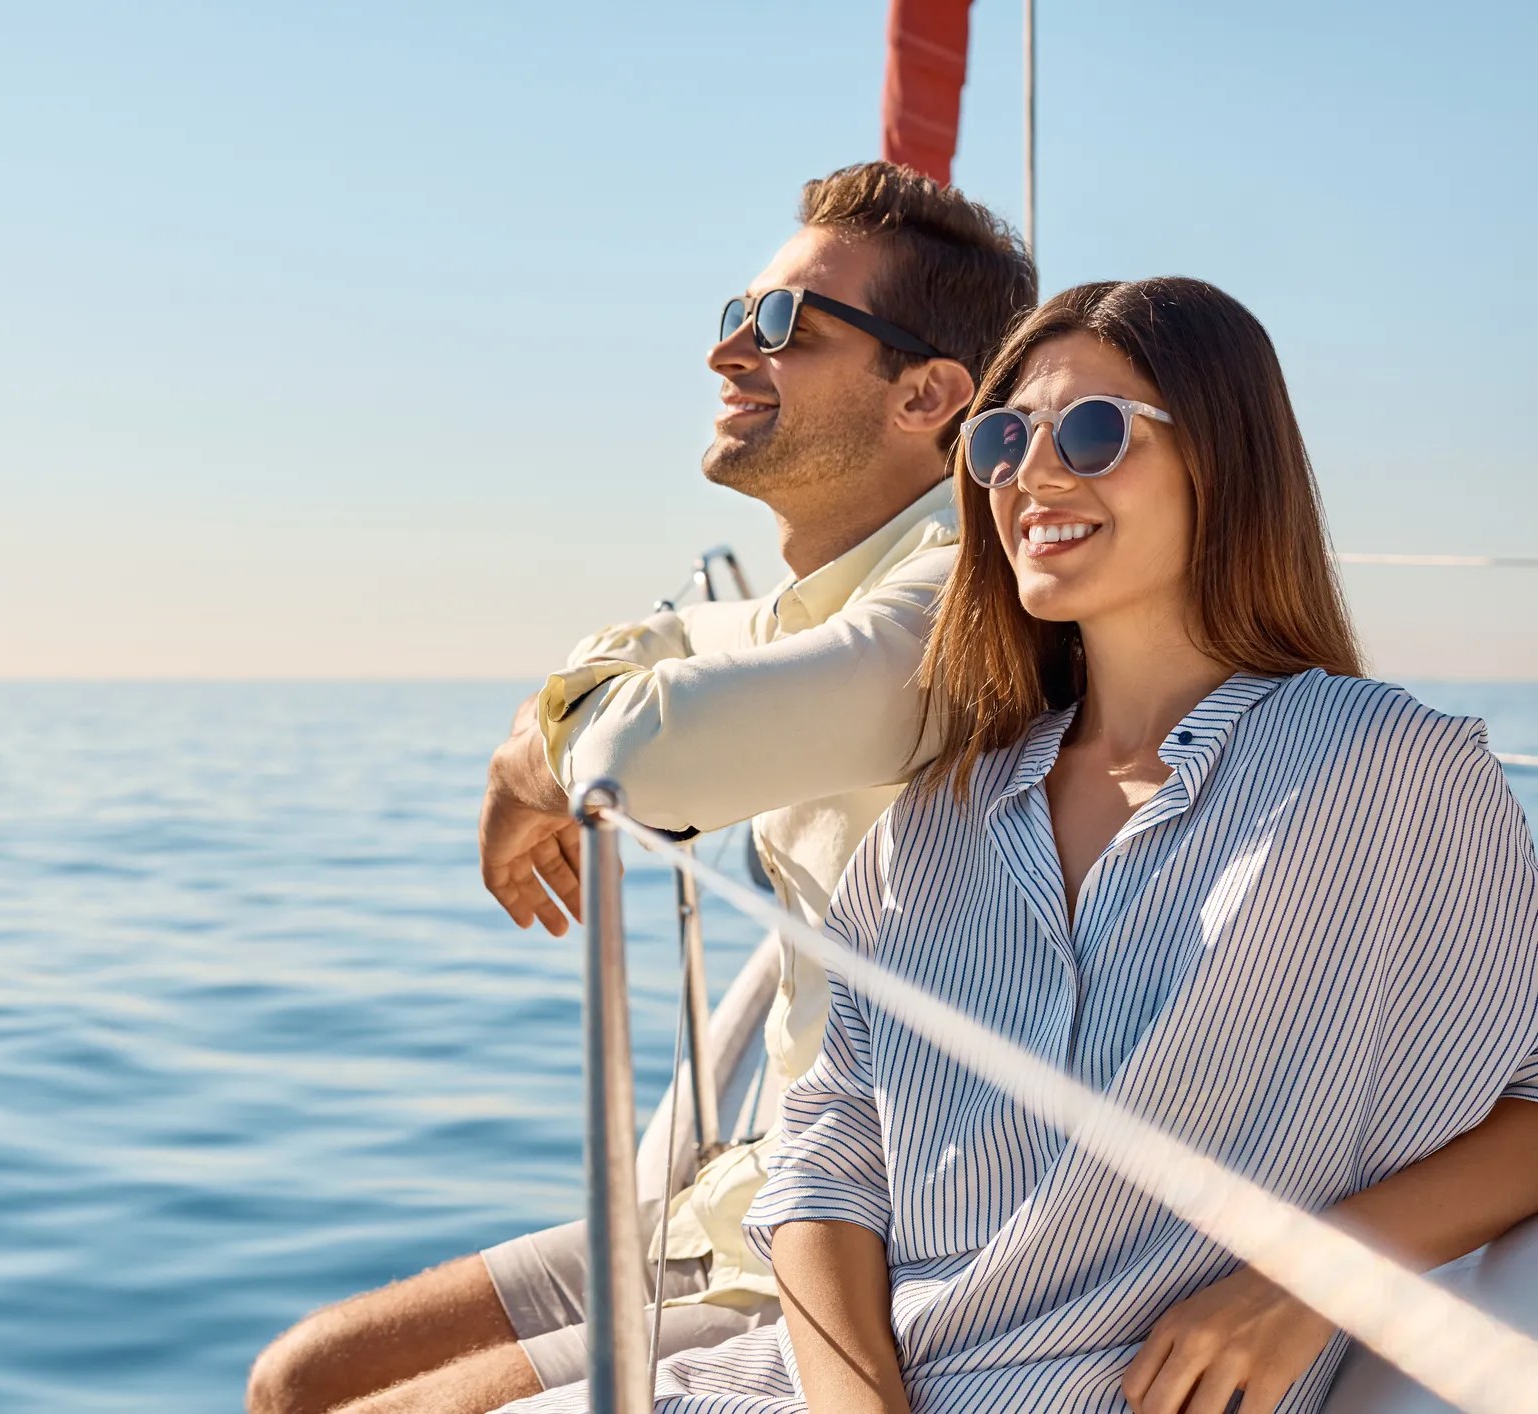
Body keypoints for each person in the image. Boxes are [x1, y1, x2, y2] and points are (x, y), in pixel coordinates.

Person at [499, 277, 1538, 1414]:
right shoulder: (941, 815)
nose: (1033, 474)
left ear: (1227, 462)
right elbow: (824, 1167)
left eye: (1094, 433)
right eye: (1003, 438)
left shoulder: (1384, 768)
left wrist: (1304, 1285)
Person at [245, 162, 1036, 1414]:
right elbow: (657, 659)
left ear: (928, 395)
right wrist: (571, 715)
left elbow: (656, 740)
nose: (731, 349)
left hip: (876, 1233)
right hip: (753, 1196)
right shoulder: (811, 604)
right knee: (299, 1377)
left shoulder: (969, 597)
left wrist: (526, 759)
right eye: (737, 310)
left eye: (785, 324)